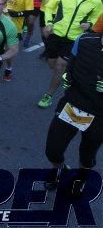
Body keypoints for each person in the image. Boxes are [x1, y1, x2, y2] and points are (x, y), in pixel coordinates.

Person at [43, 30, 103, 198]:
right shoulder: (85, 39)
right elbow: (71, 64)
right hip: (74, 104)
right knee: (52, 150)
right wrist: (67, 81)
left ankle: (80, 180)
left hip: (99, 115)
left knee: (87, 155)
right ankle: (59, 170)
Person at [38, 0, 102, 108]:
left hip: (74, 38)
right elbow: (49, 7)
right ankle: (68, 73)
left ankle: (48, 95)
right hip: (56, 34)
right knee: (52, 64)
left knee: (59, 67)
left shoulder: (95, 1)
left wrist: (89, 24)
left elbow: (97, 17)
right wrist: (49, 22)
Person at [0, 0, 34, 81]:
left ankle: (9, 68)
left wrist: (16, 13)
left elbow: (29, 12)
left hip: (15, 27)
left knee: (8, 50)